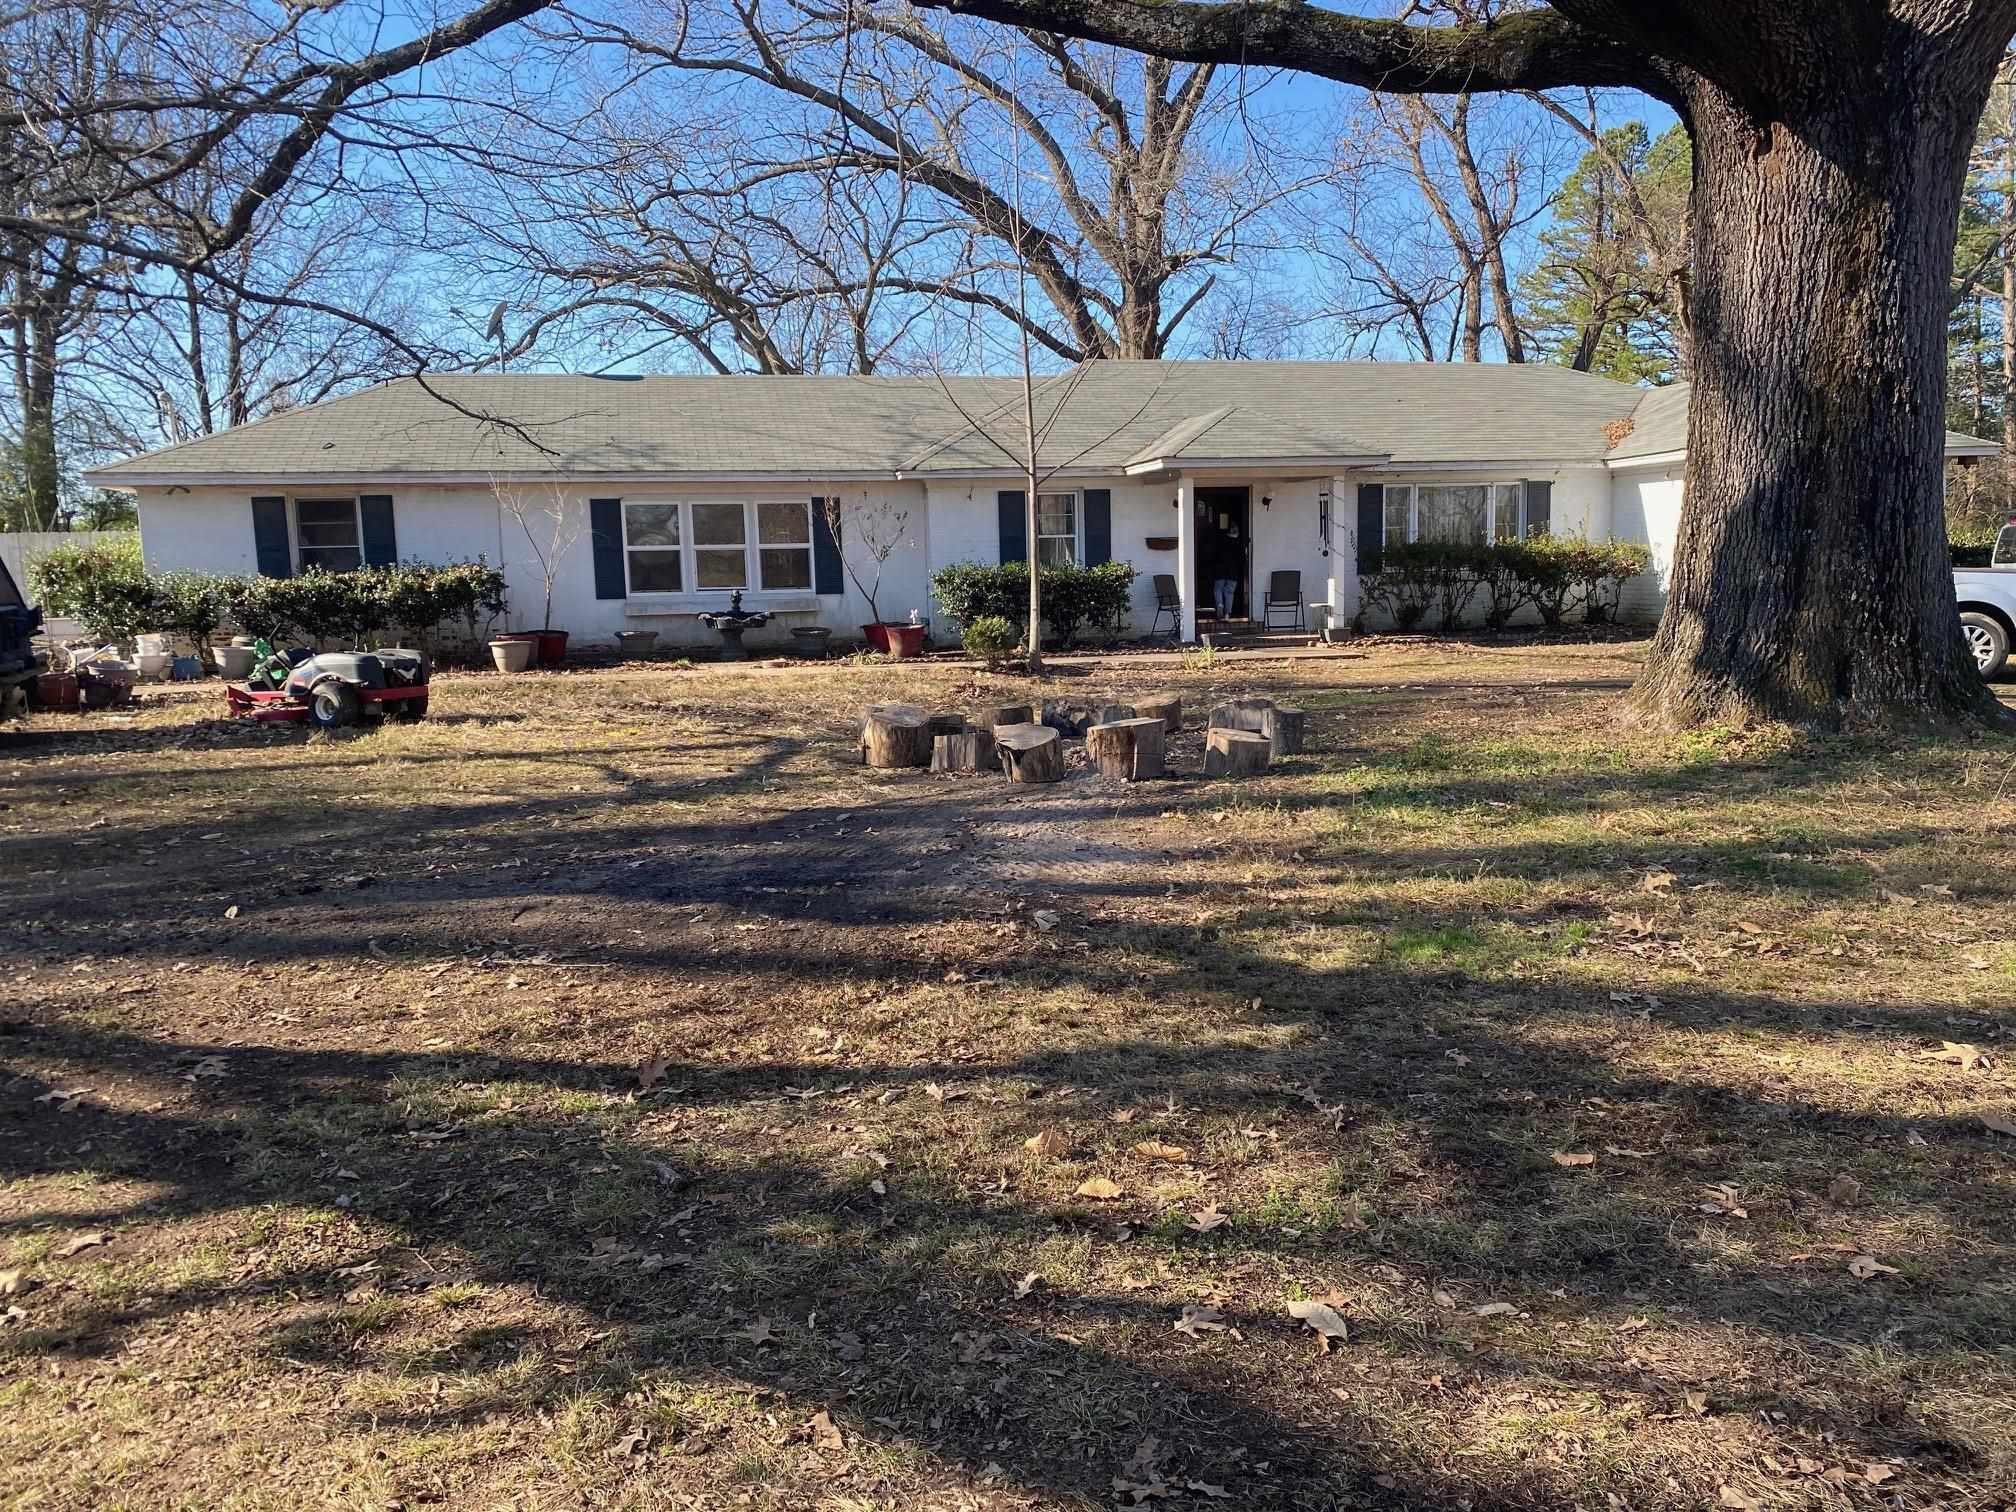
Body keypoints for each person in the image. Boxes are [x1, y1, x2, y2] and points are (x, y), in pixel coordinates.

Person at [1209, 526, 1242, 621]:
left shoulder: (1221, 542)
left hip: (1220, 571)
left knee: (1218, 589)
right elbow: (1242, 559)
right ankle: (1227, 614)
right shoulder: (1239, 544)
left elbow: (1214, 555)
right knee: (1229, 593)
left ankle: (1219, 605)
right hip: (1233, 572)